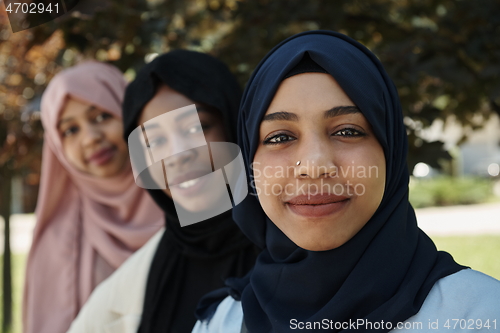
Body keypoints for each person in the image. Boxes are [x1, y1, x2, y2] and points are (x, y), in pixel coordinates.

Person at [193, 31, 500, 333]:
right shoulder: (221, 322)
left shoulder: (480, 314)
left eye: (348, 131)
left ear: (390, 151)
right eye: (280, 137)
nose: (313, 166)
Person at [65, 50, 260, 333]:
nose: (177, 155)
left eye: (196, 127)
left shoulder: (301, 242)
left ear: (233, 126)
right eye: (154, 141)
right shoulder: (127, 289)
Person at [22, 61, 164, 333]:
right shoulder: (56, 239)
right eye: (70, 130)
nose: (90, 138)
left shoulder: (185, 201)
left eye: (101, 116)